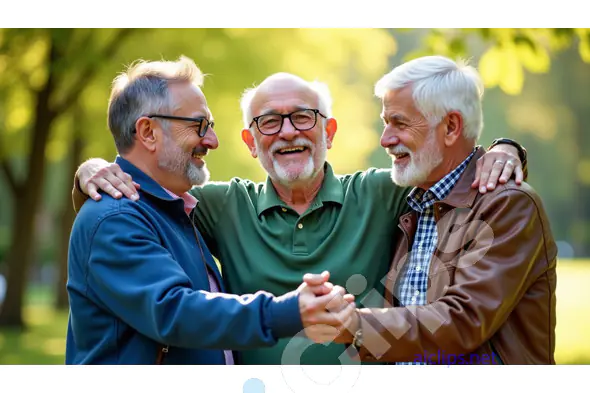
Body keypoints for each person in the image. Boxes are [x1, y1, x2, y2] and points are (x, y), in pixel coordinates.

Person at [71, 60, 528, 365]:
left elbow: (444, 163)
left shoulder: (382, 191)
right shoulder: (218, 206)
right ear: (251, 143)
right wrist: (91, 173)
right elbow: (137, 218)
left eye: (303, 117)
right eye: (269, 121)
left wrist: (504, 150)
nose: (287, 131)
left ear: (329, 130)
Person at [65, 56, 356, 365]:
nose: (212, 141)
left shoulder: (177, 210)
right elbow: (175, 312)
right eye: (199, 125)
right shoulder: (117, 218)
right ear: (148, 132)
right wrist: (287, 311)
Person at [325, 55, 557, 365]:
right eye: (385, 122)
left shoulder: (509, 205)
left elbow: (463, 321)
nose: (385, 139)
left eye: (400, 122)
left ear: (450, 127)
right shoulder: (407, 200)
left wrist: (356, 324)